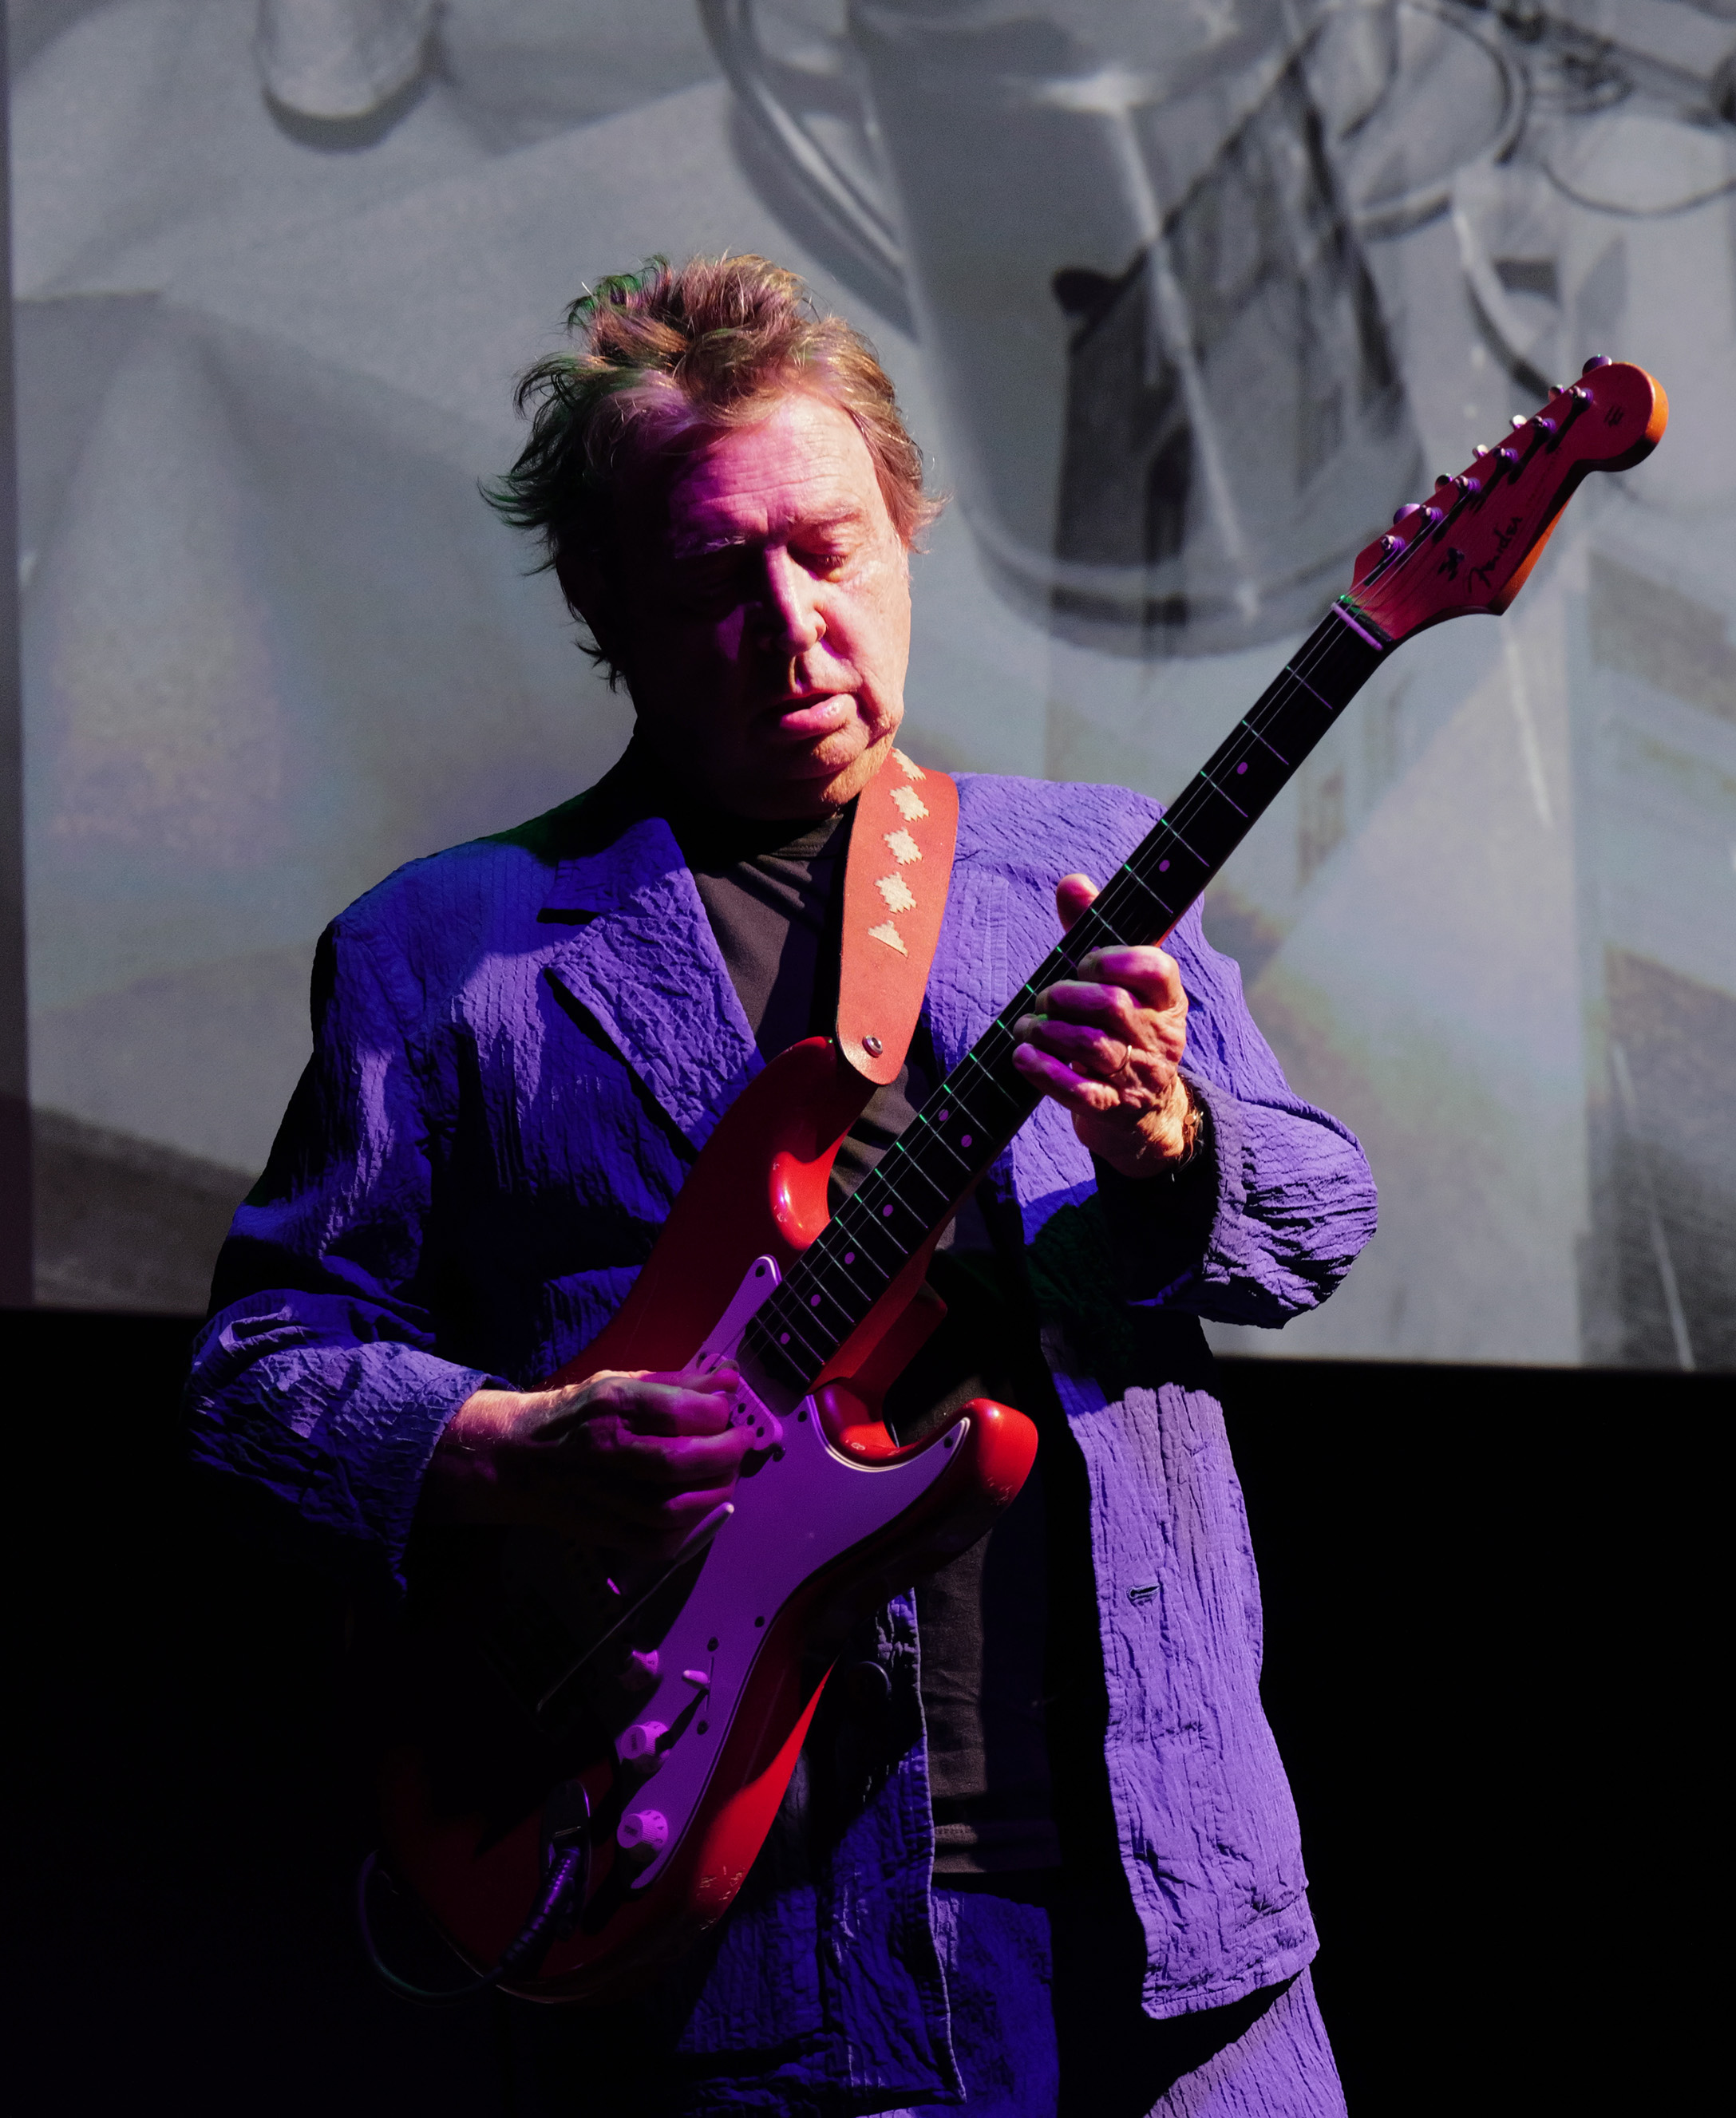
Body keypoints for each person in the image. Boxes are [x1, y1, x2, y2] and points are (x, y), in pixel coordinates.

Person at [184, 254, 1375, 2116]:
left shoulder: (1086, 869)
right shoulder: (448, 953)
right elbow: (256, 1379)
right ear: (605, 610)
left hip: (1179, 1927)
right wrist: (507, 1438)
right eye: (713, 579)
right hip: (759, 1945)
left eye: (830, 549)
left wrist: (1171, 1143)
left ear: (906, 525)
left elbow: (1316, 1210)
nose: (796, 624)